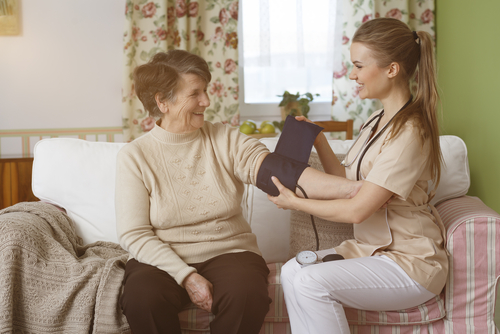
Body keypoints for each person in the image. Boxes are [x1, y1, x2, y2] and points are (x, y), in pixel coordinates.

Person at [267, 18, 449, 333]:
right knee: (292, 271)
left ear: (391, 69)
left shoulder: (411, 130)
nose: (352, 75)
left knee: (310, 281)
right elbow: (346, 181)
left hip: (410, 262)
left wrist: (295, 203)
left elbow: (359, 208)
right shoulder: (376, 121)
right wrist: (319, 138)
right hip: (372, 252)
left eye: (359, 66)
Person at [115, 50, 275, 334]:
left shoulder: (223, 137)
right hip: (162, 255)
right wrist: (186, 276)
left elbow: (261, 162)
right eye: (195, 94)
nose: (207, 101)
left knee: (248, 293)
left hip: (230, 250)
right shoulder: (135, 155)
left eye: (206, 91)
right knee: (142, 297)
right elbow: (134, 234)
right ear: (162, 101)